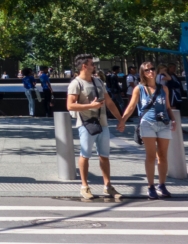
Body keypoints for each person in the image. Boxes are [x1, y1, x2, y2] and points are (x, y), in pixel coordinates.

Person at [67, 54, 125, 201]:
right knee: (85, 154)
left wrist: (121, 119)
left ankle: (108, 185)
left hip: (102, 123)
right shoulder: (76, 83)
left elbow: (109, 102)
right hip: (86, 124)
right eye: (92, 64)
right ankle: (84, 186)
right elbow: (70, 105)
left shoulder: (98, 81)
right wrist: (90, 106)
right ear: (84, 66)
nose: (95, 66)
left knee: (104, 155)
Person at [120, 62, 177, 199]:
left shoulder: (164, 88)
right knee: (151, 155)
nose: (150, 72)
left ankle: (162, 185)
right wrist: (122, 120)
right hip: (147, 123)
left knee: (162, 155)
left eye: (152, 69)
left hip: (163, 123)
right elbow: (131, 106)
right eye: (147, 70)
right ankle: (150, 186)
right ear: (143, 73)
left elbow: (168, 107)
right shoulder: (139, 89)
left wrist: (173, 120)